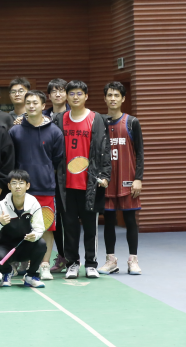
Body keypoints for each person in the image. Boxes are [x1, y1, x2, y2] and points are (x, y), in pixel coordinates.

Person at [51, 80, 111, 279]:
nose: (75, 97)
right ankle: (72, 263)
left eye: (79, 93)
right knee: (69, 227)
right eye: (71, 93)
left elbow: (105, 150)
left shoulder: (97, 119)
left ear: (86, 96)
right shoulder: (59, 119)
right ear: (66, 97)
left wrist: (105, 175)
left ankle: (91, 264)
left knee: (91, 226)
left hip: (90, 183)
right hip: (65, 184)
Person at [9, 90, 64, 280]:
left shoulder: (54, 131)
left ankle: (44, 265)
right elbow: (11, 159)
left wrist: (44, 172)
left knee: (46, 227)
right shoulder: (15, 131)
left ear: (43, 106)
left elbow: (57, 160)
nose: (31, 106)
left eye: (35, 103)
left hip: (45, 188)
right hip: (20, 189)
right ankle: (22, 261)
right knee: (19, 227)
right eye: (28, 103)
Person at [100, 81, 144, 275]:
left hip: (128, 179)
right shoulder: (99, 123)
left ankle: (133, 260)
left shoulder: (132, 122)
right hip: (107, 180)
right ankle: (111, 260)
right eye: (109, 95)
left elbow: (140, 153)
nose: (113, 99)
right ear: (105, 98)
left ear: (123, 98)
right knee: (108, 221)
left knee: (129, 219)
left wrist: (138, 178)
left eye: (116, 95)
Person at [0, 170, 47, 288]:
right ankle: (7, 272)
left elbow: (39, 228)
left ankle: (31, 276)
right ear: (9, 186)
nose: (18, 186)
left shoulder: (33, 203)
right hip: (5, 247)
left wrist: (34, 236)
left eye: (21, 183)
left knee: (41, 244)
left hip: (25, 245)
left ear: (27, 186)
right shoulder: (1, 205)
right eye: (14, 183)